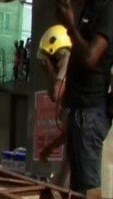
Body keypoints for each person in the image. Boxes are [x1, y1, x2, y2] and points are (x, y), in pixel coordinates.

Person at [56, 0, 113, 199]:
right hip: (80, 112)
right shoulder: (90, 9)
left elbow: (91, 58)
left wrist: (69, 25)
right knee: (79, 191)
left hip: (91, 112)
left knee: (89, 192)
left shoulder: (107, 10)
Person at [38, 24, 73, 187]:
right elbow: (71, 131)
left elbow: (55, 93)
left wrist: (50, 72)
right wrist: (51, 147)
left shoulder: (67, 58)